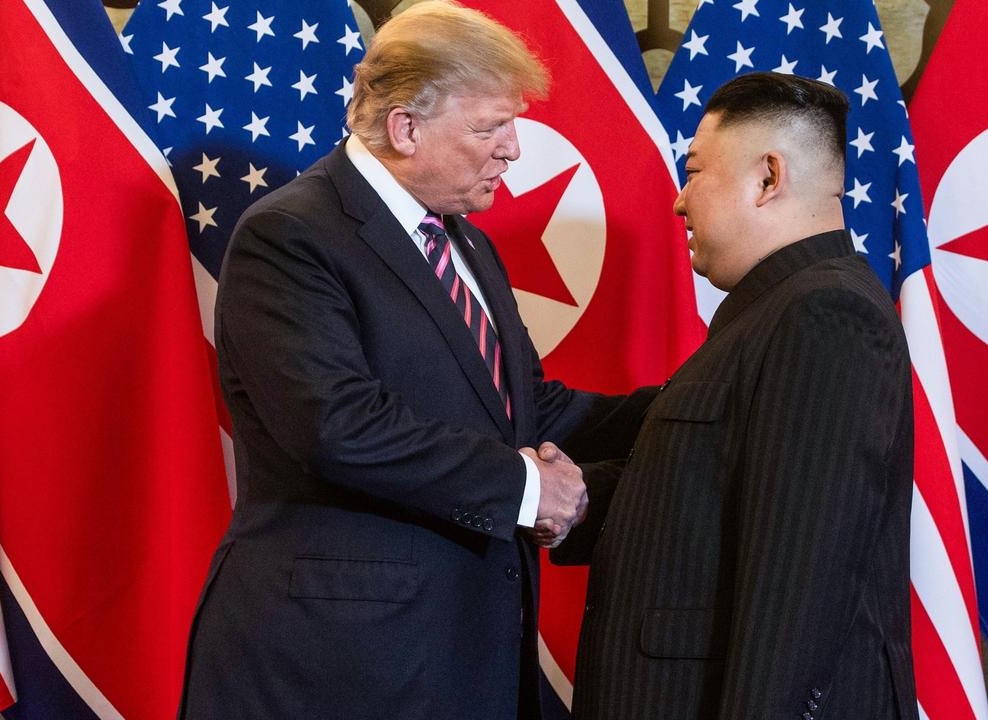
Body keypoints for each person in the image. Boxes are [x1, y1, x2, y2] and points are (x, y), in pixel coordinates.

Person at [177, 3, 652, 718]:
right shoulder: (291, 235)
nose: (514, 149)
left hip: (462, 650)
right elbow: (337, 426)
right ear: (405, 126)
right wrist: (528, 487)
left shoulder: (466, 242)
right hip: (339, 663)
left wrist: (696, 405)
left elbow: (527, 407)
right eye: (491, 127)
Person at [550, 72, 919, 719]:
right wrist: (579, 504)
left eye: (694, 172)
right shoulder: (773, 311)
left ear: (768, 177)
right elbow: (708, 503)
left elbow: (799, 589)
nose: (679, 201)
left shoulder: (825, 315)